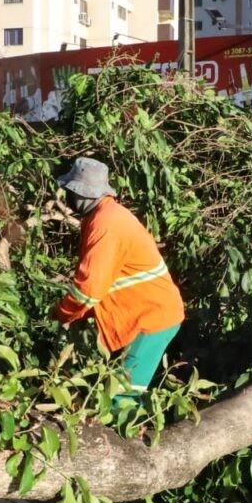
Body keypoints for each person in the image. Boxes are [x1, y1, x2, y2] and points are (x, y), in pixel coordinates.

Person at [53, 157, 185, 408]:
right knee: (117, 388)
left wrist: (62, 314)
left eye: (69, 192)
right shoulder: (105, 216)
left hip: (151, 319)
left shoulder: (105, 225)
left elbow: (89, 289)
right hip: (144, 315)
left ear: (81, 193)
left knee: (122, 397)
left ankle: (125, 442)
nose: (67, 198)